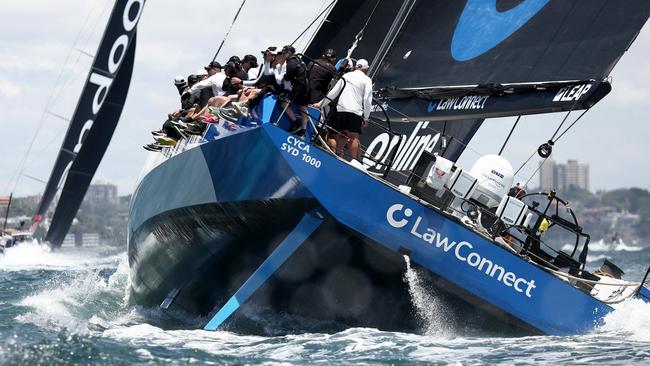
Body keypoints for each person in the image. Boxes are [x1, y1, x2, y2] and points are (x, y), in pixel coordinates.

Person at [317, 58, 373, 160]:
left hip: (341, 109)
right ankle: (354, 161)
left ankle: (334, 155)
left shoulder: (346, 76)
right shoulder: (367, 80)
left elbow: (333, 93)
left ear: (356, 66)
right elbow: (367, 99)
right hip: (355, 112)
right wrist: (366, 117)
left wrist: (320, 104)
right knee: (354, 137)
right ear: (366, 69)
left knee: (335, 134)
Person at [278, 45, 311, 135]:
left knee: (282, 101)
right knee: (303, 107)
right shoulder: (300, 60)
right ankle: (303, 130)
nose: (283, 55)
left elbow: (289, 76)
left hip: (299, 88)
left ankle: (295, 123)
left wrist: (284, 78)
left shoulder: (291, 61)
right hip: (307, 88)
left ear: (288, 53)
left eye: (284, 53)